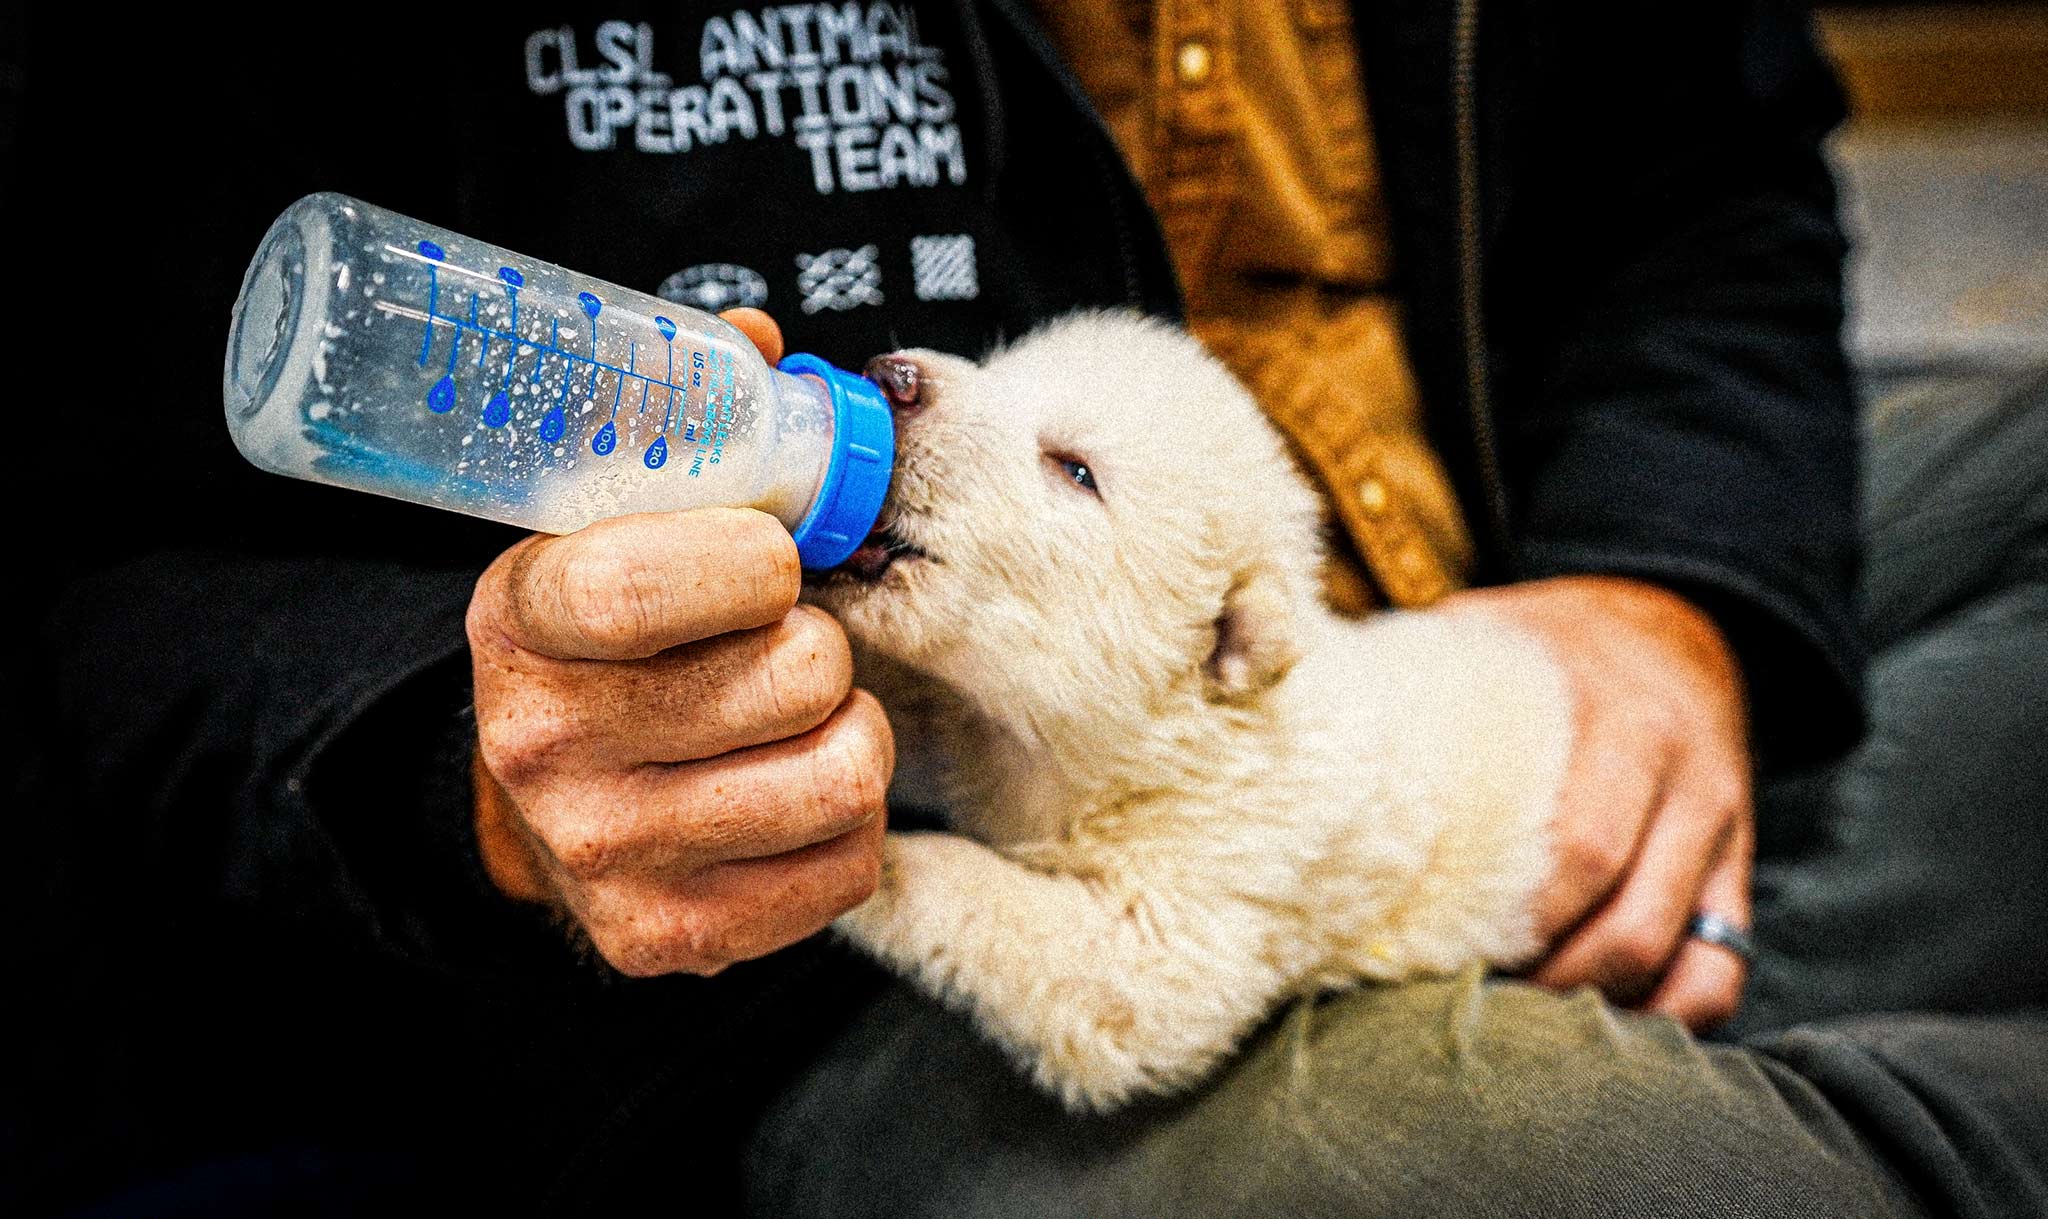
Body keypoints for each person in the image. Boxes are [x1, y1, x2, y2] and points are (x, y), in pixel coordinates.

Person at [3, 2, 2042, 1216]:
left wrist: (1666, 595)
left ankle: (1624, 1007)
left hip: (1415, 618)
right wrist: (463, 765)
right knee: (1672, 1189)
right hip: (777, 947)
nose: (911, 391)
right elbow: (97, 575)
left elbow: (1710, 184)